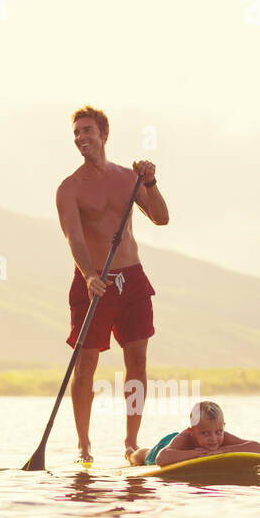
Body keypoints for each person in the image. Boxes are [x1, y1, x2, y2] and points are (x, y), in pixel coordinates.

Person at [56, 105, 170, 463]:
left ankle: (130, 443)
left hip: (132, 279)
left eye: (86, 131)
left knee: (137, 362)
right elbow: (74, 238)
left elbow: (161, 218)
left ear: (103, 134)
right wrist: (90, 274)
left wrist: (150, 181)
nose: (80, 138)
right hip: (94, 282)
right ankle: (83, 445)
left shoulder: (128, 178)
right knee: (86, 363)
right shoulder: (69, 188)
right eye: (76, 133)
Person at [128, 400, 260, 466]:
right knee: (142, 455)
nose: (213, 439)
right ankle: (130, 452)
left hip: (179, 447)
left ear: (223, 427)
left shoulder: (221, 438)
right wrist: (196, 454)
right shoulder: (186, 437)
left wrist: (223, 451)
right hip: (166, 446)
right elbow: (161, 458)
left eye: (218, 432)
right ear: (192, 432)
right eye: (205, 433)